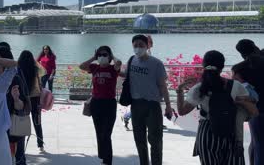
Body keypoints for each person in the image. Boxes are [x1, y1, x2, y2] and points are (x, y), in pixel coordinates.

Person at [176, 50, 258, 165]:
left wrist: (180, 91)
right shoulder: (236, 86)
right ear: (222, 66)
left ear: (204, 66)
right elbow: (254, 112)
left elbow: (182, 111)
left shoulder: (200, 88)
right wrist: (242, 101)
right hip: (231, 132)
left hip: (207, 133)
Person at [129, 34, 172, 165]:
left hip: (152, 105)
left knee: (155, 140)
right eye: (135, 45)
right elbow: (125, 76)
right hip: (136, 104)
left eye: (141, 45)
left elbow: (162, 86)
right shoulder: (131, 60)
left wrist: (168, 106)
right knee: (139, 139)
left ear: (148, 46)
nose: (138, 48)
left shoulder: (156, 63)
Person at [79, 46, 122, 165]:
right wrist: (94, 57)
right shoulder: (94, 67)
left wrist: (112, 56)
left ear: (109, 57)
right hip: (96, 103)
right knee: (99, 132)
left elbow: (119, 62)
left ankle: (108, 161)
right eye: (100, 55)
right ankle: (103, 156)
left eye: (105, 55)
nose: (102, 57)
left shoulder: (113, 69)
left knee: (106, 133)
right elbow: (81, 66)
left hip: (109, 104)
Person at [0, 45, 29, 165]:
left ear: (4, 60)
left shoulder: (15, 78)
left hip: (13, 126)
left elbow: (21, 106)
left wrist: (16, 99)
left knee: (18, 158)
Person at [236, 39, 264, 165]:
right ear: (255, 47)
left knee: (257, 144)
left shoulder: (239, 69)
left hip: (253, 109)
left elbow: (238, 92)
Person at [18, 50, 45, 152]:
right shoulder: (35, 69)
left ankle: (21, 146)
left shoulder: (19, 69)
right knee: (37, 122)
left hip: (23, 98)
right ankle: (41, 145)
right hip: (35, 98)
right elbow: (44, 72)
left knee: (22, 122)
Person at [231, 61, 259, 155]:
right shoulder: (237, 86)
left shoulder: (247, 87)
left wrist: (245, 98)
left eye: (233, 74)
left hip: (243, 110)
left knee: (238, 121)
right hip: (238, 108)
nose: (232, 76)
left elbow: (255, 97)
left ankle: (239, 142)